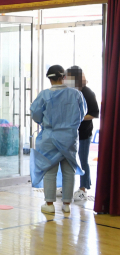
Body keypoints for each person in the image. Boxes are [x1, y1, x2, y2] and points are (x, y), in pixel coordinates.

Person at [31, 65, 86, 214]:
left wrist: (46, 123)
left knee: (50, 172)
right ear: (64, 77)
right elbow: (82, 114)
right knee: (69, 172)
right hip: (69, 138)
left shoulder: (44, 95)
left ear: (49, 79)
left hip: (49, 138)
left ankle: (49, 204)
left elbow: (35, 114)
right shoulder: (76, 95)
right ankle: (66, 204)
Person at [66, 67, 100, 201]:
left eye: (68, 77)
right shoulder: (68, 92)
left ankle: (83, 188)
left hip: (84, 133)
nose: (65, 79)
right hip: (70, 132)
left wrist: (78, 117)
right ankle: (66, 186)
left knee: (83, 161)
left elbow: (94, 113)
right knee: (67, 160)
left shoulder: (88, 92)